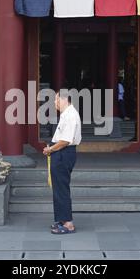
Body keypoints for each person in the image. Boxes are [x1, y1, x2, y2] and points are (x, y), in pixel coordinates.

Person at [43, 90, 82, 235]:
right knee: (58, 188)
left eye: (56, 99)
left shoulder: (71, 115)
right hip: (60, 154)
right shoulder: (66, 114)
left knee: (62, 189)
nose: (54, 102)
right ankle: (62, 219)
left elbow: (66, 141)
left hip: (63, 154)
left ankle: (68, 223)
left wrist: (50, 149)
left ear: (64, 99)